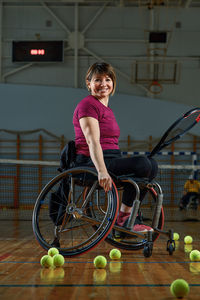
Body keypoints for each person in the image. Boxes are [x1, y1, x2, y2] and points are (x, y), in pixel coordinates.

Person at [73, 62, 158, 233]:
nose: (103, 84)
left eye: (107, 79)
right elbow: (92, 142)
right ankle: (125, 219)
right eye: (98, 80)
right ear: (88, 83)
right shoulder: (87, 105)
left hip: (111, 158)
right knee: (143, 164)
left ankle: (126, 217)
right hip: (91, 163)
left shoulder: (106, 109)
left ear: (113, 83)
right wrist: (102, 171)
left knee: (151, 165)